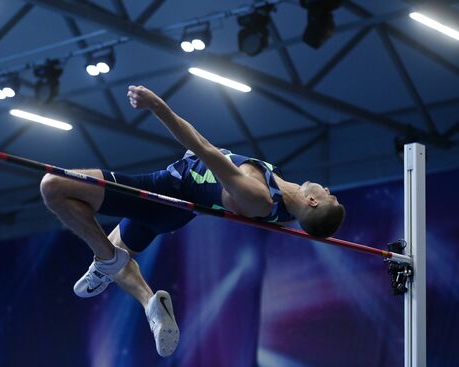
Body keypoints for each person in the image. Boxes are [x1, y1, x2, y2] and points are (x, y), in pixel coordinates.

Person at [39, 85, 346, 357]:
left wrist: (156, 106)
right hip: (172, 209)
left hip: (161, 193)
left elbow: (204, 148)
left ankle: (104, 261)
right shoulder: (288, 203)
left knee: (54, 186)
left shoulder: (259, 196)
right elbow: (314, 221)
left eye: (330, 196)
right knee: (118, 253)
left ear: (313, 200)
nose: (329, 189)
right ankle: (148, 303)